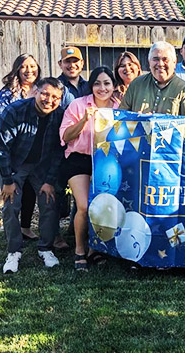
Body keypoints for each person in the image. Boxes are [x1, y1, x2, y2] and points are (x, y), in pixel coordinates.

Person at [0, 78, 65, 274]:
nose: (49, 100)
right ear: (35, 91)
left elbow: (59, 150)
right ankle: (13, 252)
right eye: (45, 94)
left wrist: (50, 180)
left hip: (43, 165)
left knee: (50, 202)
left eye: (55, 97)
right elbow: (2, 148)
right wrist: (8, 181)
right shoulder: (14, 111)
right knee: (11, 205)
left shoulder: (60, 115)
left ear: (60, 99)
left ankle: (46, 248)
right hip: (16, 164)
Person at [59, 67, 121, 270]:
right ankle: (79, 250)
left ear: (113, 86)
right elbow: (66, 136)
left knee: (102, 206)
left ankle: (95, 248)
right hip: (79, 160)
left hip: (106, 161)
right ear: (91, 86)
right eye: (97, 83)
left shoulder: (119, 107)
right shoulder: (78, 105)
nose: (102, 88)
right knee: (84, 206)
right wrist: (84, 120)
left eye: (107, 83)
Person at [0, 54, 41, 241]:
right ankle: (11, 233)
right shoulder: (8, 92)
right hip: (13, 153)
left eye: (32, 66)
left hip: (35, 152)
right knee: (11, 194)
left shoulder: (41, 89)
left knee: (29, 193)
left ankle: (26, 227)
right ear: (17, 70)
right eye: (24, 67)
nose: (29, 70)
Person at [120, 41, 185, 116]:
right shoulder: (136, 84)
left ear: (174, 62)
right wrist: (137, 119)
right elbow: (120, 117)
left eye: (165, 59)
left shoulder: (183, 89)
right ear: (149, 62)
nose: (160, 64)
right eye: (155, 59)